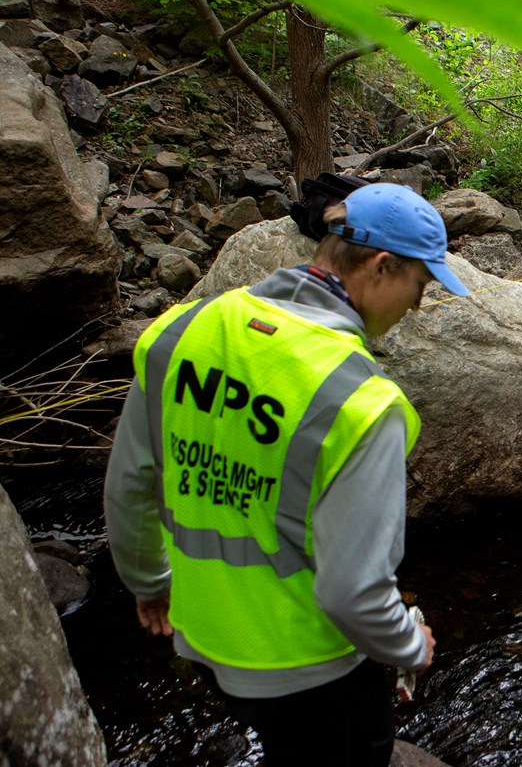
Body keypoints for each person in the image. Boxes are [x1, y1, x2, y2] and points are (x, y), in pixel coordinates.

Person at [104, 182, 470, 766]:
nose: (419, 305)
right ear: (380, 266)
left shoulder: (180, 330)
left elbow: (130, 486)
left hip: (202, 637)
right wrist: (410, 644)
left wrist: (150, 583)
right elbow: (354, 592)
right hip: (309, 666)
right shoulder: (361, 403)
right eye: (420, 285)